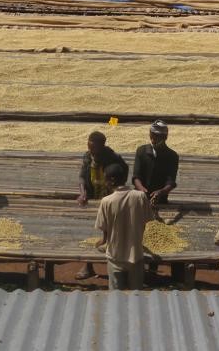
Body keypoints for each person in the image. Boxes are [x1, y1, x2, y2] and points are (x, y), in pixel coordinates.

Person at [76, 131, 128, 279]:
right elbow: (81, 177)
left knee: (112, 233)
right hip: (94, 197)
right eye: (89, 146)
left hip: (110, 198)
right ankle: (88, 265)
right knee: (93, 233)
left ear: (102, 146)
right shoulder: (87, 156)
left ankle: (118, 267)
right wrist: (83, 192)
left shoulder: (112, 157)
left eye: (94, 147)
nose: (91, 150)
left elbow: (123, 170)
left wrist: (116, 187)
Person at [94, 163, 149, 290]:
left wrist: (101, 243)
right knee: (137, 296)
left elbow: (105, 232)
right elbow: (146, 223)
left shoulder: (106, 201)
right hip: (136, 256)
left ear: (112, 180)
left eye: (105, 178)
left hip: (115, 257)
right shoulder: (140, 196)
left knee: (115, 298)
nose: (104, 181)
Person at [132, 120, 179, 208]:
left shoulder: (172, 156)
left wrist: (161, 192)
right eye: (152, 135)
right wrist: (142, 190)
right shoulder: (141, 151)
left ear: (165, 137)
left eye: (158, 136)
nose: (153, 138)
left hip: (160, 200)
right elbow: (136, 177)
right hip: (139, 198)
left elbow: (171, 181)